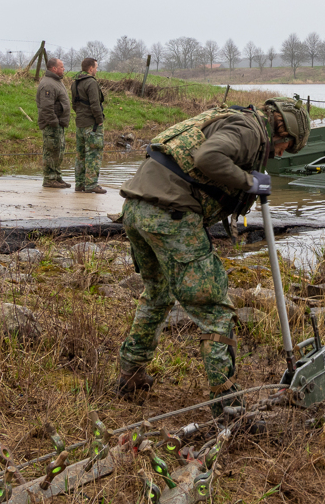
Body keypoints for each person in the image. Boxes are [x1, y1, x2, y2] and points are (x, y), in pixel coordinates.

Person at [114, 97, 311, 414]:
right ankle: (228, 409)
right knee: (217, 312)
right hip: (169, 215)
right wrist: (250, 182)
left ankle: (131, 374)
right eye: (284, 148)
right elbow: (208, 157)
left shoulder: (232, 118)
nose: (278, 155)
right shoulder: (250, 130)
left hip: (137, 209)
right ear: (281, 130)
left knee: (158, 294)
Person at [72, 57, 106, 194]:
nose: (97, 70)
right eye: (96, 67)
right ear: (90, 68)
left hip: (80, 123)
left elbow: (74, 104)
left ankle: (80, 183)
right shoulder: (91, 83)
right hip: (92, 125)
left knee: (80, 155)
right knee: (93, 154)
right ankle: (91, 184)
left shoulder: (75, 83)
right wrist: (99, 120)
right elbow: (95, 104)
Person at [36, 57, 71, 188]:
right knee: (51, 151)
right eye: (61, 67)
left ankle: (56, 176)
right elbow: (46, 107)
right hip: (52, 125)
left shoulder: (56, 81)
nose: (64, 69)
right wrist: (54, 122)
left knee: (59, 151)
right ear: (54, 68)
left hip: (59, 124)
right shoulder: (48, 84)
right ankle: (49, 179)